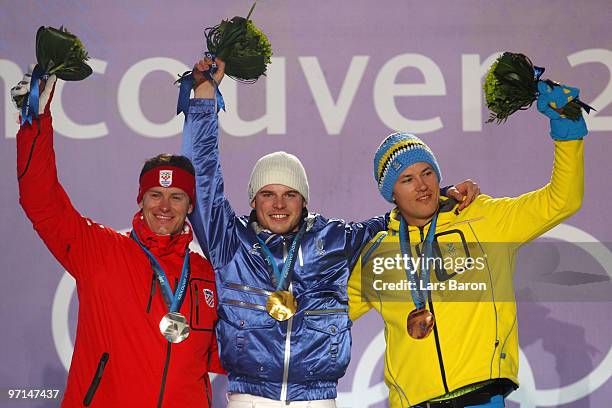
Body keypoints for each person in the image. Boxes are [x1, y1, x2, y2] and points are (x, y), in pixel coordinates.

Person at [180, 58, 480, 407]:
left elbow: (400, 216)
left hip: (318, 400)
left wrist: (442, 193)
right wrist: (203, 96)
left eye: (290, 194)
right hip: (250, 397)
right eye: (268, 194)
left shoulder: (334, 239)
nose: (279, 204)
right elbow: (201, 178)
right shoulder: (230, 241)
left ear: (303, 200)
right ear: (253, 200)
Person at [348, 81, 586, 407]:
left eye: (427, 173)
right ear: (392, 193)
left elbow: (562, 201)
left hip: (481, 396)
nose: (422, 186)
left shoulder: (483, 220)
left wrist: (567, 133)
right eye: (407, 179)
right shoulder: (378, 254)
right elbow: (326, 313)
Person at [13, 67, 223, 407]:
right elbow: (41, 201)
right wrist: (36, 120)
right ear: (140, 199)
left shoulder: (205, 273)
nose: (165, 206)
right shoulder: (99, 250)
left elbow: (229, 352)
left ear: (190, 205)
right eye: (155, 194)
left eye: (177, 197)